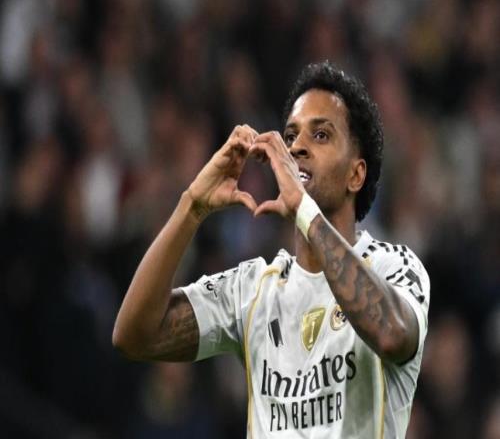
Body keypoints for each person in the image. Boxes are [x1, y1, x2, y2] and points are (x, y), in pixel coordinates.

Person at [113, 61, 430, 438]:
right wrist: (191, 206)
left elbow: (392, 334)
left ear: (355, 175)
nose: (297, 148)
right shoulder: (252, 290)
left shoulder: (394, 265)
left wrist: (304, 211)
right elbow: (134, 335)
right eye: (291, 135)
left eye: (321, 135)